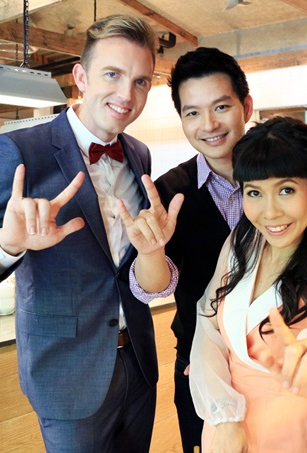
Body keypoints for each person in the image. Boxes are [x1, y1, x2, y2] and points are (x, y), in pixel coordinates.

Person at [0, 15, 182, 453]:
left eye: (141, 81)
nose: (127, 95)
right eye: (112, 74)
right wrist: (8, 244)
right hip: (67, 380)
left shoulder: (138, 154)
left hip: (139, 365)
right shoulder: (22, 151)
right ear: (81, 77)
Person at [188, 116, 307, 453]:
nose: (270, 212)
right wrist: (225, 417)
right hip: (223, 429)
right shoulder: (241, 244)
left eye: (286, 190)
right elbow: (207, 323)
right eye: (254, 192)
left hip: (287, 434)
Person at [129, 46, 253, 452]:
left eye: (222, 107)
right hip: (199, 365)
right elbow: (155, 287)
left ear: (246, 106)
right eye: (193, 113)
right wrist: (151, 253)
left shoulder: (282, 176)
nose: (209, 125)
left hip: (275, 363)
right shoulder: (169, 192)